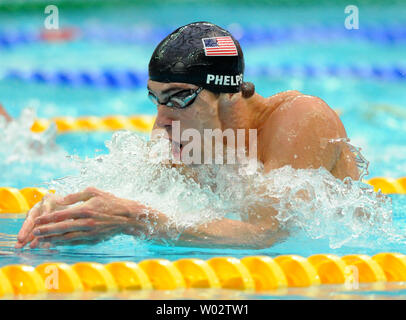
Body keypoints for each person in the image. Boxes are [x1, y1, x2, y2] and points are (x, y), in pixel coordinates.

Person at [15, 21, 359, 250]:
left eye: (179, 97)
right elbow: (130, 189)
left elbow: (265, 233)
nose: (160, 122)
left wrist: (132, 219)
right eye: (156, 99)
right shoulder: (196, 139)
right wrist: (63, 211)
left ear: (228, 95)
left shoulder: (301, 119)